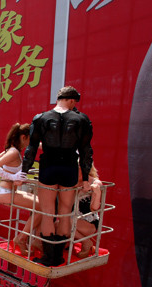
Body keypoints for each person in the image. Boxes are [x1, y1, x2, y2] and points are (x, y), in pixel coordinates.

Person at [22, 86, 94, 266]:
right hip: (69, 167)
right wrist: (85, 179)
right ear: (71, 100)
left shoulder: (41, 118)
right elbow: (86, 152)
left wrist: (23, 172)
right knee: (64, 213)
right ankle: (59, 257)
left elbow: (31, 149)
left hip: (49, 167)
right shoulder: (81, 119)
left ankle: (48, 258)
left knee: (47, 213)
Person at [0, 123, 40, 255]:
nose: (31, 143)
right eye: (30, 139)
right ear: (24, 137)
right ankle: (22, 238)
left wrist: (13, 177)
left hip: (5, 190)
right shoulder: (14, 152)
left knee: (41, 205)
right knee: (43, 208)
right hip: (5, 192)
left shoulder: (12, 150)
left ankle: (27, 238)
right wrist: (12, 176)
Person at [74, 164, 102, 258]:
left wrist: (95, 189)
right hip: (74, 220)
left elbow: (94, 208)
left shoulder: (94, 181)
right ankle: (87, 243)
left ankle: (86, 242)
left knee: (64, 223)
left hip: (89, 222)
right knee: (57, 226)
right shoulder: (70, 181)